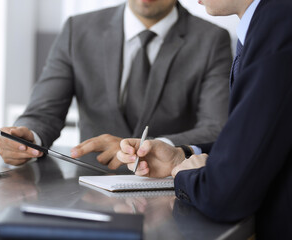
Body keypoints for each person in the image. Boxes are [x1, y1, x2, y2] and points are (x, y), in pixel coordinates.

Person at [117, 0, 292, 238]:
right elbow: (263, 135)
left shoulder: (278, 27)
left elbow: (225, 195)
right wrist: (184, 155)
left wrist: (186, 176)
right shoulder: (269, 22)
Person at [0, 0, 232, 170]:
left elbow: (216, 127)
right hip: (88, 184)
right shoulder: (78, 29)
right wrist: (28, 138)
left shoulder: (211, 40)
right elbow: (43, 111)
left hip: (167, 188)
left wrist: (155, 148)